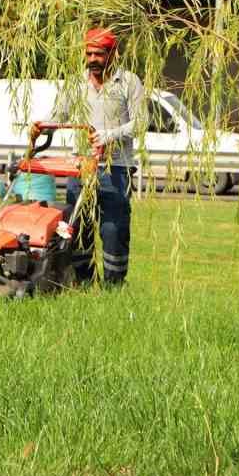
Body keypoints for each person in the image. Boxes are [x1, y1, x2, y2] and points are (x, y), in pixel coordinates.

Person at [45, 27, 146, 286]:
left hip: (116, 168)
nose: (92, 59)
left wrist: (109, 135)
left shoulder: (129, 82)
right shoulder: (75, 83)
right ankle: (84, 282)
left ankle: (114, 285)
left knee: (114, 228)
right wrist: (41, 125)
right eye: (89, 53)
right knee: (79, 228)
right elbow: (59, 115)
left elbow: (142, 122)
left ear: (113, 54)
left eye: (99, 54)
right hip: (81, 167)